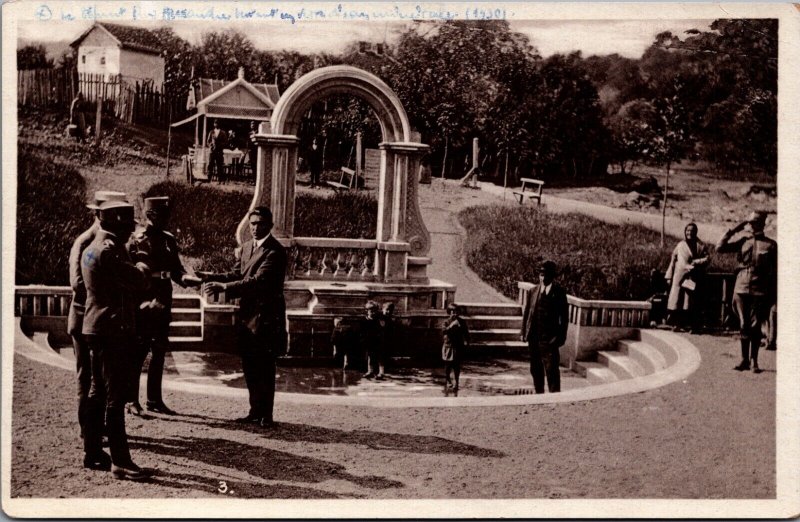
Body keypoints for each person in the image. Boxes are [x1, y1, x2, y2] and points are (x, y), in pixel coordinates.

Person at [81, 199, 152, 480]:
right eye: (128, 227)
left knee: (97, 391)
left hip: (96, 326)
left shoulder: (92, 248)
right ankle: (121, 460)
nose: (130, 232)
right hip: (113, 330)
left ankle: (93, 451)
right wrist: (143, 262)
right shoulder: (111, 251)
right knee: (116, 396)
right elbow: (140, 280)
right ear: (118, 225)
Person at [202, 207, 287, 427]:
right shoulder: (248, 247)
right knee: (250, 365)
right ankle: (254, 411)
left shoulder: (275, 252)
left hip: (267, 318)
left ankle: (266, 416)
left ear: (270, 225)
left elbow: (258, 282)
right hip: (248, 317)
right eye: (253, 224)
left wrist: (225, 287)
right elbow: (236, 274)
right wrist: (209, 278)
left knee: (265, 367)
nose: (256, 228)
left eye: (260, 223)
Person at [68, 190, 128, 471]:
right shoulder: (91, 243)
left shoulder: (103, 242)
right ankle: (91, 437)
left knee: (95, 386)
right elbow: (78, 285)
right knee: (90, 383)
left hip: (92, 318)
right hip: (88, 318)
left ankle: (94, 442)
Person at [126, 197, 201, 416]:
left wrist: (191, 279)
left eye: (168, 215)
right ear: (150, 215)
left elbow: (176, 271)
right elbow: (131, 276)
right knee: (139, 352)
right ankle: (131, 400)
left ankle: (154, 400)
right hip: (144, 302)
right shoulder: (136, 240)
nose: (167, 220)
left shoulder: (169, 239)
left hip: (164, 300)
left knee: (159, 350)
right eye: (162, 215)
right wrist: (140, 302)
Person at [716, 210, 777, 373]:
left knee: (756, 326)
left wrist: (774, 295)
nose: (752, 226)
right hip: (741, 286)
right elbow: (719, 248)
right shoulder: (743, 241)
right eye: (750, 223)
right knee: (743, 324)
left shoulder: (771, 245)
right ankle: (744, 360)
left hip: (760, 289)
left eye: (755, 223)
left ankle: (754, 361)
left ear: (762, 224)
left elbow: (775, 272)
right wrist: (735, 230)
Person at [520, 260, 569, 394]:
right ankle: (539, 394)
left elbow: (564, 319)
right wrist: (523, 331)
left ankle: (554, 396)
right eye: (541, 274)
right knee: (535, 368)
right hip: (534, 338)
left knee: (551, 369)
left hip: (550, 340)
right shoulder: (533, 291)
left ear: (552, 276)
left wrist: (559, 338)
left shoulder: (559, 293)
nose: (543, 278)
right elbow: (527, 313)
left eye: (546, 275)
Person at [664, 222, 709, 332]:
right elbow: (673, 260)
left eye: (692, 231)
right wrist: (669, 276)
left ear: (696, 232)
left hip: (694, 277)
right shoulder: (680, 245)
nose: (690, 233)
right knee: (678, 300)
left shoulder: (701, 245)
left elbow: (707, 258)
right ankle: (677, 324)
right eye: (688, 230)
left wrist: (697, 262)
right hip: (680, 276)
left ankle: (691, 325)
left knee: (690, 301)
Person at [442, 303, 469, 390]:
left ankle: (456, 382)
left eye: (456, 312)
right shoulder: (446, 322)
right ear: (449, 313)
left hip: (458, 346)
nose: (455, 314)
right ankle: (448, 379)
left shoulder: (461, 322)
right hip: (448, 346)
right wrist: (451, 325)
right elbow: (443, 332)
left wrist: (467, 341)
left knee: (456, 365)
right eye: (452, 312)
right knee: (448, 365)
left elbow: (466, 333)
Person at [361, 301, 383, 379]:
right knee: (370, 357)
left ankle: (381, 372)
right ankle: (370, 371)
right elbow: (362, 331)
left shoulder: (378, 320)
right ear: (367, 311)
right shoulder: (365, 320)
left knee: (380, 357)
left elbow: (381, 330)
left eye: (374, 311)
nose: (373, 313)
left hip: (377, 341)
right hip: (369, 341)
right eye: (371, 311)